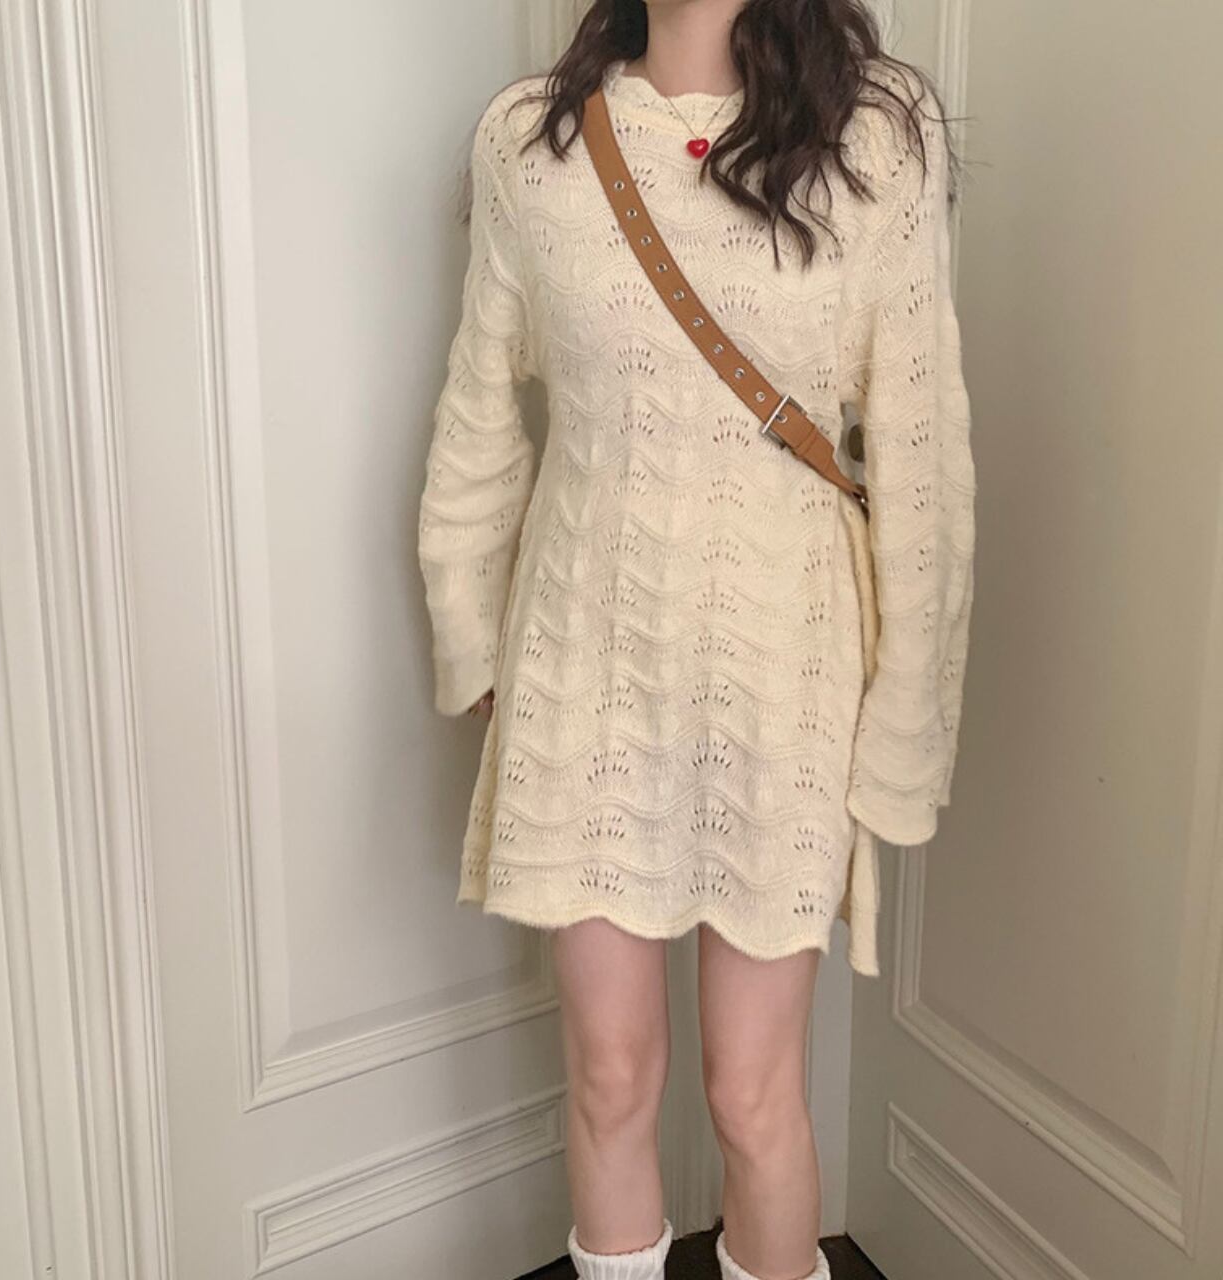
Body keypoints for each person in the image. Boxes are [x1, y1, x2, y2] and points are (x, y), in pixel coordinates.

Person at [416, 1, 976, 1276]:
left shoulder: (875, 134)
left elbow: (919, 445)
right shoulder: (530, 142)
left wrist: (905, 707)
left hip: (781, 668)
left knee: (751, 1092)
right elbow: (478, 414)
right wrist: (476, 639)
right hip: (584, 663)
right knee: (609, 1074)